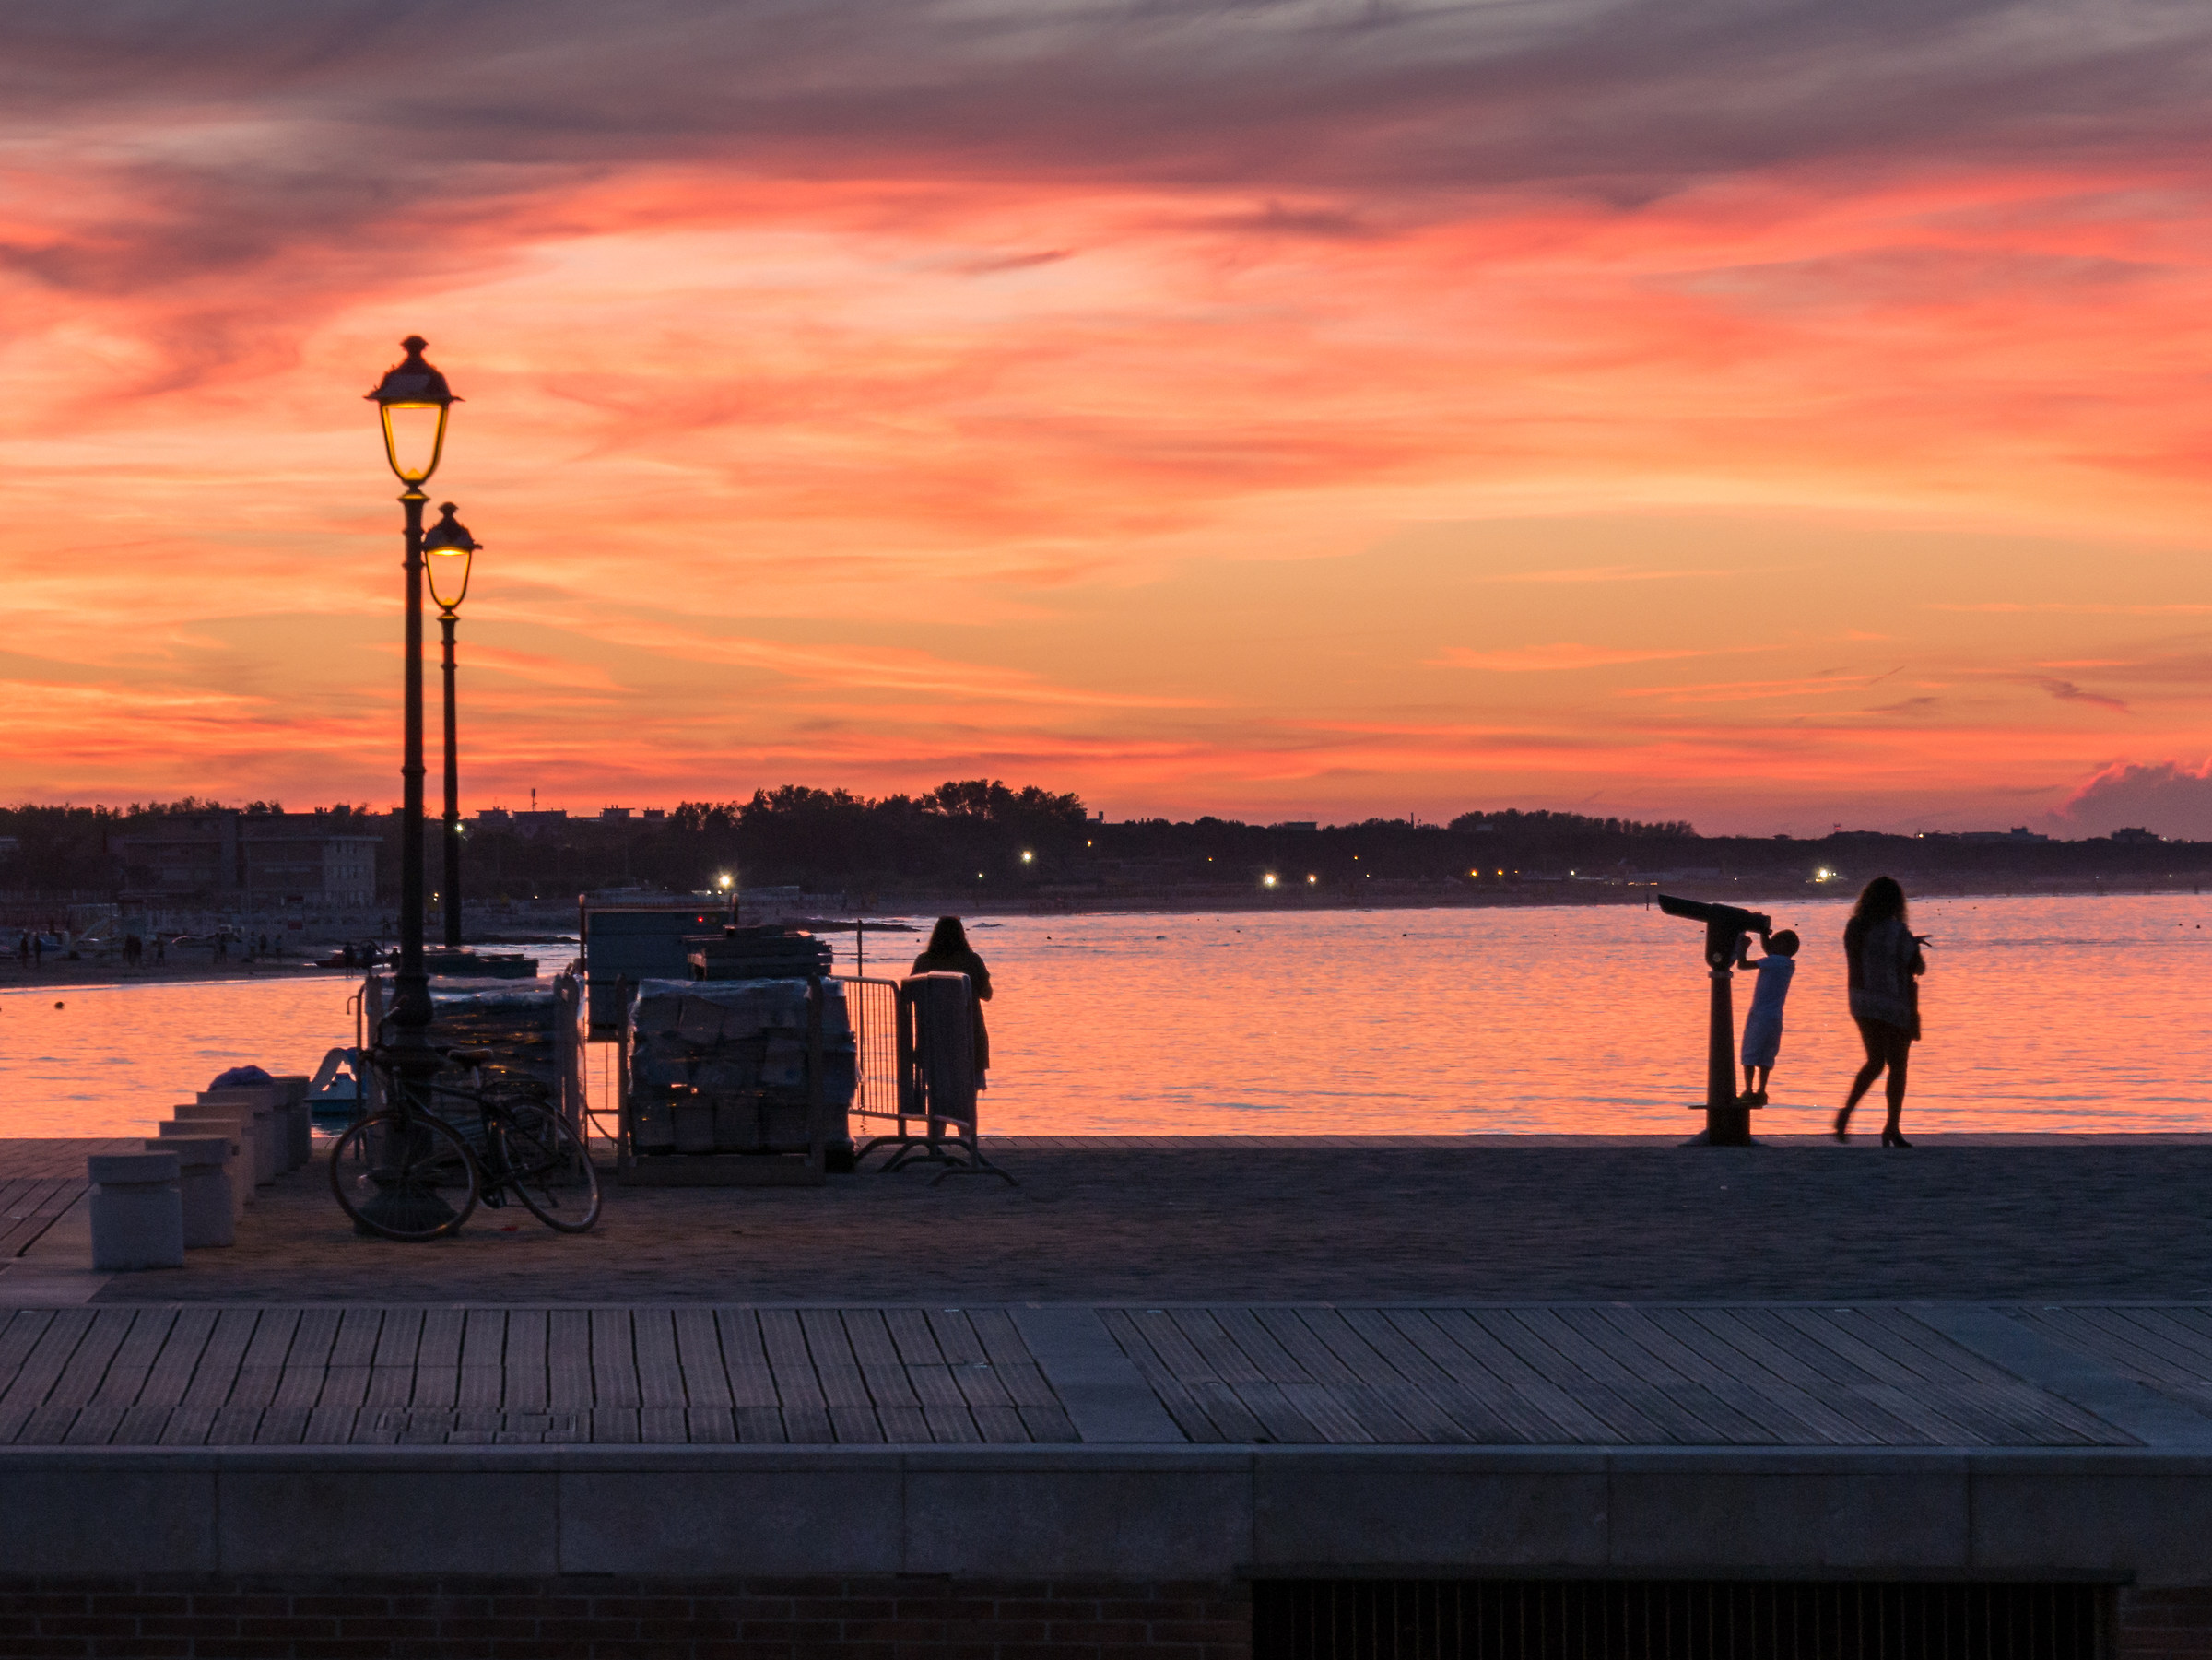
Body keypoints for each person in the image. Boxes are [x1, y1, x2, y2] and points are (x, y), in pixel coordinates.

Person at [1838, 876, 1927, 1147]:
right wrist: (1913, 945)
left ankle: (1847, 1111)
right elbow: (1917, 968)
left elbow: (1856, 956)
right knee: (1898, 1066)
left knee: (1875, 1061)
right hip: (1894, 1000)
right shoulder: (1898, 931)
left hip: (1862, 999)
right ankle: (1892, 1126)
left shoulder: (1854, 927)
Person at [911, 915, 994, 1089]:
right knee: (968, 1097)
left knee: (936, 1094)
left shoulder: (924, 961)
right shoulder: (972, 960)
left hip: (933, 1037)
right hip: (968, 1035)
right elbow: (987, 994)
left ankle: (936, 1115)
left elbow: (911, 994)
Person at [1735, 927, 1800, 1106]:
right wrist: (1763, 932)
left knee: (1749, 1053)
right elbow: (1770, 950)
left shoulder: (1772, 961)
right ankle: (1762, 1091)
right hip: (1775, 1018)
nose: (1771, 945)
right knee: (1766, 1056)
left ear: (1781, 946)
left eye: (1774, 942)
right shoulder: (1787, 963)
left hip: (1759, 1015)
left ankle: (1748, 1090)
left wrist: (1743, 947)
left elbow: (1742, 965)